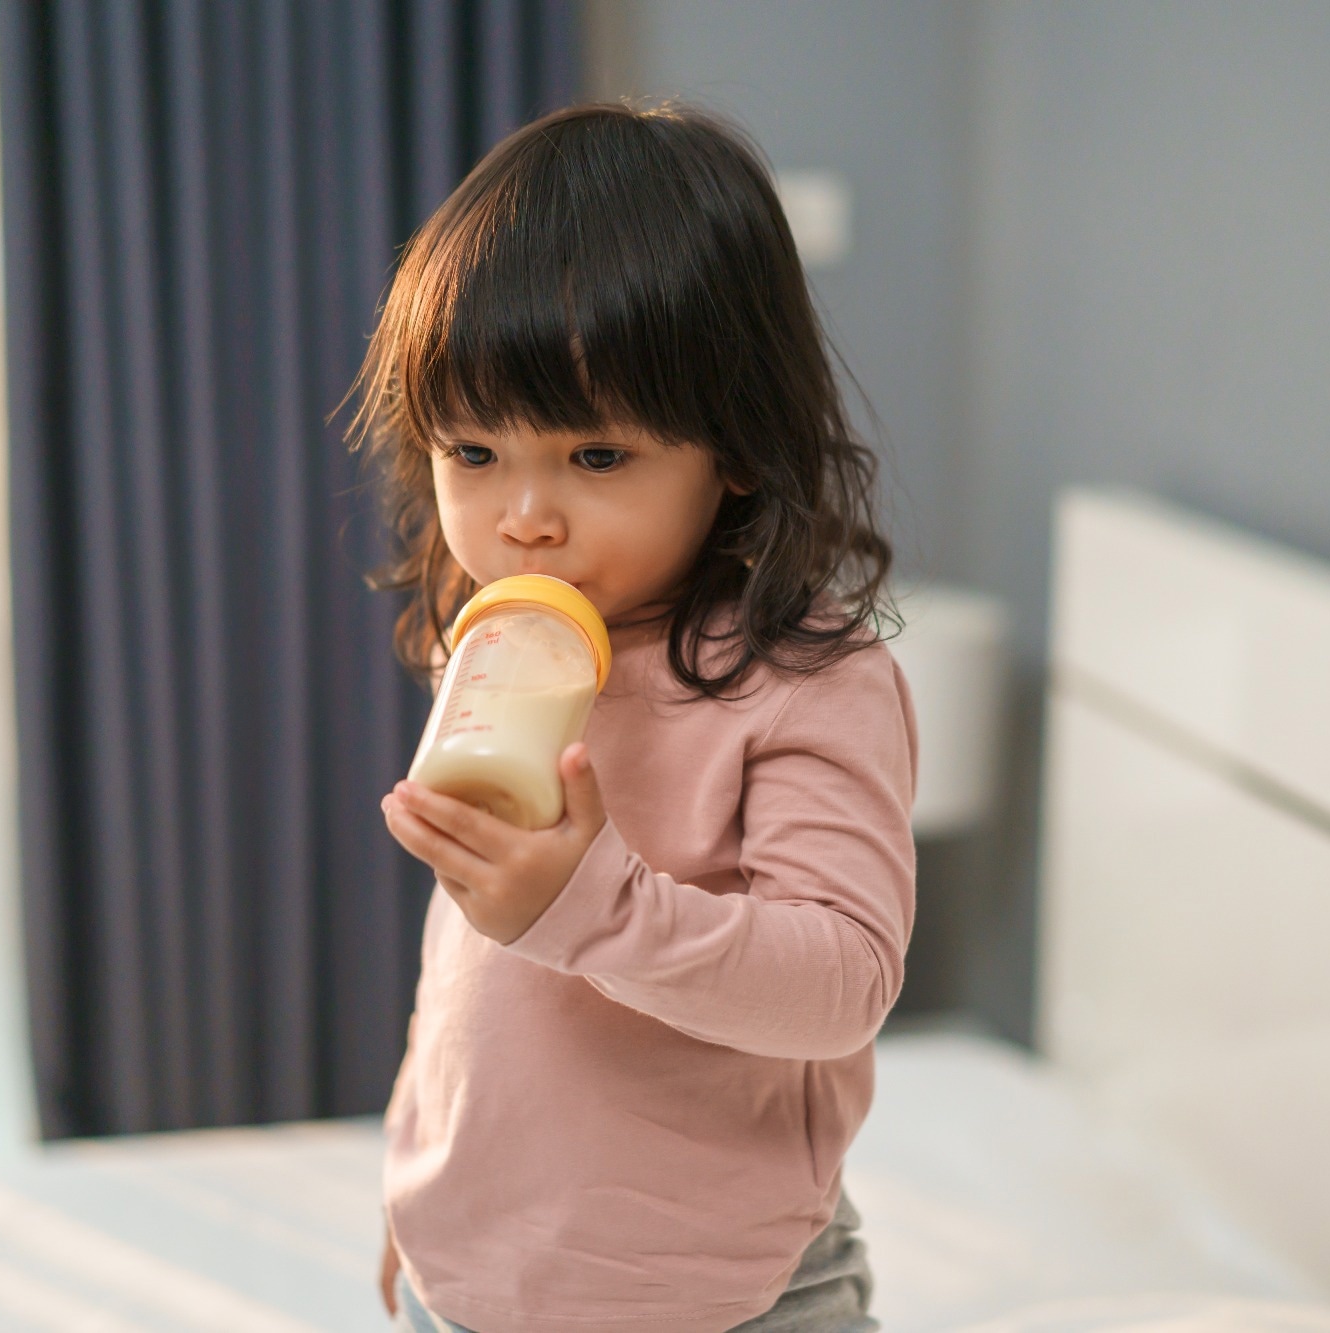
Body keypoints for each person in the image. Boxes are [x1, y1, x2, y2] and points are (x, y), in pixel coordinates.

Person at [347, 101, 918, 1333]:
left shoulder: (809, 680)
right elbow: (463, 968)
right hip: (477, 1276)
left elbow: (842, 983)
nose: (524, 517)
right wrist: (416, 1172)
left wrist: (587, 905)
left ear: (739, 447)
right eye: (472, 451)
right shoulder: (489, 643)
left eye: (596, 456)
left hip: (729, 1295)